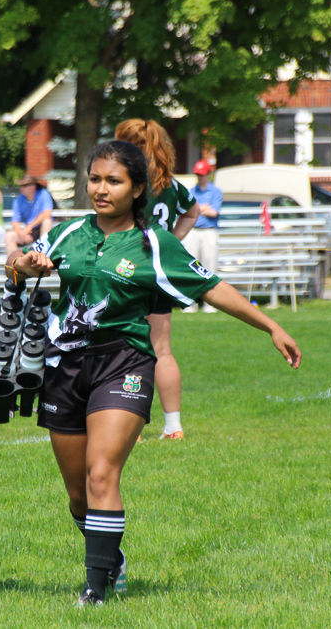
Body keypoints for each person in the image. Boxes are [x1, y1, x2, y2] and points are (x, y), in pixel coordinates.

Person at [6, 140, 301, 607]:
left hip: (125, 363)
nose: (101, 189)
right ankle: (111, 557)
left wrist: (271, 326)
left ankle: (95, 589)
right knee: (77, 495)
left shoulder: (153, 245)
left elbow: (212, 287)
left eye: (114, 181)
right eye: (95, 179)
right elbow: (16, 266)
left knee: (102, 474)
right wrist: (24, 264)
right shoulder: (68, 233)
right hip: (65, 367)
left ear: (137, 188)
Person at [115, 118, 200, 440]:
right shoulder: (171, 184)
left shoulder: (130, 182)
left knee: (124, 349)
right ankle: (174, 426)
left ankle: (132, 427)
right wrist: (173, 242)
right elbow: (193, 212)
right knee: (162, 350)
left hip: (126, 267)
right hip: (159, 272)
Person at [182, 159, 223, 311]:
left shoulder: (215, 191)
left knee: (209, 267)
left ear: (209, 174)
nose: (200, 177)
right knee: (189, 268)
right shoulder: (191, 191)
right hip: (192, 231)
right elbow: (186, 211)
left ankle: (211, 305)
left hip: (208, 231)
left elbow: (214, 212)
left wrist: (197, 209)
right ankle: (189, 305)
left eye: (203, 174)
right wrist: (202, 208)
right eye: (198, 174)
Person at [4, 175, 54, 255]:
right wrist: (21, 233)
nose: (21, 188)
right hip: (28, 231)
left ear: (33, 186)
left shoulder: (44, 194)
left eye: (24, 186)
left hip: (40, 229)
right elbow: (15, 221)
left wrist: (29, 227)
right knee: (9, 236)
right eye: (21, 186)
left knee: (47, 222)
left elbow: (47, 213)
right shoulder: (18, 200)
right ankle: (15, 263)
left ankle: (44, 256)